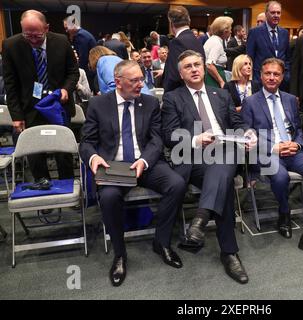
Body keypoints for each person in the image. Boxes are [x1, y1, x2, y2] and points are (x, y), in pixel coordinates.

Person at [79, 60, 186, 287]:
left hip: (144, 163)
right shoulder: (98, 104)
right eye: (134, 80)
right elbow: (86, 142)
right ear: (118, 82)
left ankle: (162, 242)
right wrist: (94, 158)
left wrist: (144, 161)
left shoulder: (149, 103)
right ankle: (120, 253)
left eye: (141, 79)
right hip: (113, 166)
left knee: (176, 184)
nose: (141, 84)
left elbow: (156, 139)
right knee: (108, 197)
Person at [161, 50, 257, 284]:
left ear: (204, 68)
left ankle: (200, 222)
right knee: (222, 183)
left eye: (197, 64)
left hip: (224, 151)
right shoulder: (173, 98)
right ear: (181, 73)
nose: (194, 69)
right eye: (188, 67)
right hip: (192, 158)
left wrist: (248, 132)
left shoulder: (221, 94)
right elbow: (168, 135)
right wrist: (195, 139)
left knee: (223, 162)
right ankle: (229, 253)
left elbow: (236, 122)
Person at [241, 58, 303, 261]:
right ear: (260, 75)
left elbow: (298, 129)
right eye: (268, 73)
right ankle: (284, 211)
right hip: (266, 153)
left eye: (276, 74)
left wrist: (298, 144)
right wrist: (273, 147)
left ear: (282, 76)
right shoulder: (250, 102)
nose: (271, 77)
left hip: (294, 152)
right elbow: (246, 135)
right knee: (280, 177)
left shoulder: (290, 99)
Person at [2, 10, 79, 182]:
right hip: (30, 107)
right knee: (35, 153)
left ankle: (66, 187)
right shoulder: (10, 45)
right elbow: (10, 84)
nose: (33, 40)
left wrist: (66, 89)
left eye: (37, 35)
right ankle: (42, 189)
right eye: (27, 35)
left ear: (47, 27)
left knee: (62, 151)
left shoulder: (61, 41)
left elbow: (73, 72)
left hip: (58, 105)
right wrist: (16, 116)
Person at [247, 1, 291, 90]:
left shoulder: (285, 33)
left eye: (278, 13)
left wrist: (286, 75)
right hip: (260, 81)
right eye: (273, 12)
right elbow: (250, 58)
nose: (276, 15)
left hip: (280, 82)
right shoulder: (255, 32)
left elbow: (287, 57)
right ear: (266, 14)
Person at [163, 5, 205, 92]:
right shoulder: (196, 40)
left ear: (171, 23)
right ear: (189, 21)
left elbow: (174, 76)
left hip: (180, 95)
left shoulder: (177, 42)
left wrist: (167, 96)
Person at [204, 16, 233, 88]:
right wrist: (221, 81)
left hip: (211, 77)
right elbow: (209, 65)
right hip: (213, 79)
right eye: (230, 29)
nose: (231, 31)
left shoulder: (213, 39)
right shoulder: (216, 43)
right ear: (225, 31)